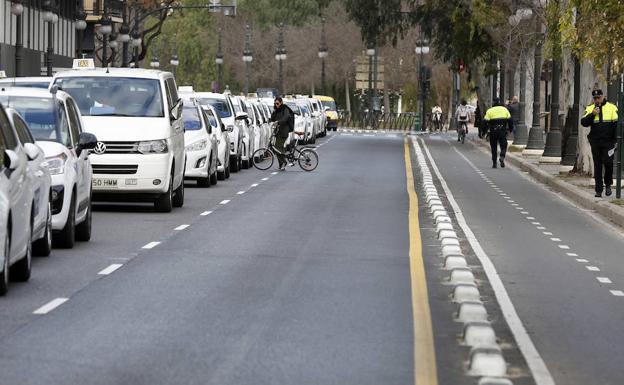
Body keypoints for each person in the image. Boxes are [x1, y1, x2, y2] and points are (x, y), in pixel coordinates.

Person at [580, 89, 618, 197]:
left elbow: (617, 125)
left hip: (609, 142)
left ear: (603, 96)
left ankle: (608, 184)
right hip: (595, 142)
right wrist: (592, 114)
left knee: (608, 163)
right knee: (597, 166)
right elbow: (584, 123)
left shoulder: (612, 107)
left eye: (599, 97)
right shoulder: (590, 108)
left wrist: (616, 141)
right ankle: (598, 190)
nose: (597, 100)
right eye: (595, 98)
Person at [484, 98, 513, 168]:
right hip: (502, 131)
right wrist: (510, 129)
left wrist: (484, 131)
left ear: (493, 103)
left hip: (493, 131)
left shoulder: (490, 111)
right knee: (504, 145)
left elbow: (484, 122)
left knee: (493, 147)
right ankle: (502, 156)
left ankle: (494, 163)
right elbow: (510, 121)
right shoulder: (505, 110)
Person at [270, 96, 294, 171]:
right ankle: (281, 164)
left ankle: (284, 162)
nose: (276, 105)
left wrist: (278, 122)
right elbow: (272, 119)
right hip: (278, 131)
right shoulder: (277, 110)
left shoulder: (285, 109)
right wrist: (274, 111)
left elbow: (285, 118)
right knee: (277, 148)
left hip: (284, 131)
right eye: (275, 103)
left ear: (281, 103)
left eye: (277, 103)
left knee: (277, 148)